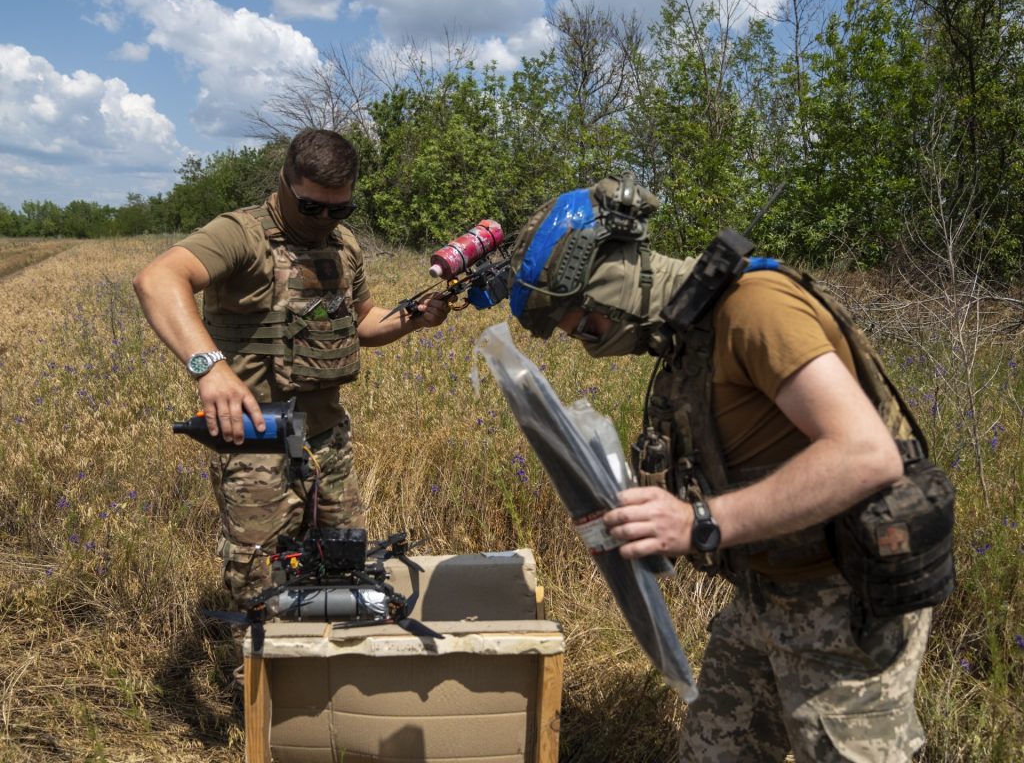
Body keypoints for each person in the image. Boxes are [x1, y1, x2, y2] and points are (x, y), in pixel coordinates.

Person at [506, 174, 953, 761]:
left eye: (587, 325)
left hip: (843, 602)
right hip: (765, 591)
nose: (592, 344)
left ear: (612, 278)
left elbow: (866, 454)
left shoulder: (755, 307)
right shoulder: (689, 340)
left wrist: (700, 522)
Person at [133, 129, 449, 612]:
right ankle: (268, 662)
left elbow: (363, 321)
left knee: (344, 573)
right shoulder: (240, 233)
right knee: (263, 591)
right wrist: (209, 367)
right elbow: (156, 279)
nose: (324, 219)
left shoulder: (344, 245)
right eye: (311, 207)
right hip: (257, 444)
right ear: (284, 182)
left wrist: (413, 318)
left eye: (339, 209)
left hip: (327, 443)